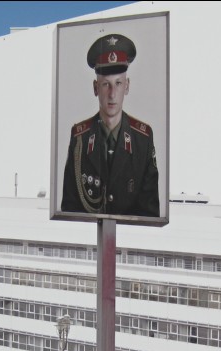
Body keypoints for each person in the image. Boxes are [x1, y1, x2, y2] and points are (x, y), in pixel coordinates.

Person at [61, 33, 159, 217]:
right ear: (95, 88)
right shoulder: (79, 138)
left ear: (127, 86)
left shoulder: (142, 139)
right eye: (106, 84)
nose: (112, 94)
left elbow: (150, 212)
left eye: (118, 83)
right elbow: (70, 209)